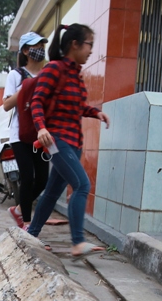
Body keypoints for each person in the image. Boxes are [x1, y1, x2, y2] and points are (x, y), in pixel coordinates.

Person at [26, 23, 110, 259]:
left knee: (52, 193)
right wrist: (41, 127)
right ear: (75, 44)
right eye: (89, 45)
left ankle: (31, 234)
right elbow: (37, 101)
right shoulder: (54, 69)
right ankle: (77, 242)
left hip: (73, 142)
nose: (91, 50)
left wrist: (95, 113)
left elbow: (76, 105)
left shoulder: (75, 74)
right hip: (57, 139)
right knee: (82, 185)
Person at [2, 31, 49, 231]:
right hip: (20, 134)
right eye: (35, 46)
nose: (39, 49)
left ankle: (19, 209)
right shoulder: (16, 75)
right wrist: (26, 88)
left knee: (43, 179)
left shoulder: (48, 73)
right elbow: (6, 105)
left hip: (42, 133)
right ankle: (26, 223)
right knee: (27, 177)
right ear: (25, 51)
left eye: (41, 45)